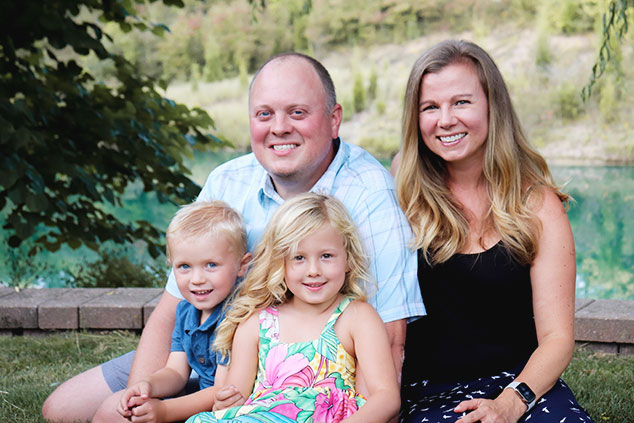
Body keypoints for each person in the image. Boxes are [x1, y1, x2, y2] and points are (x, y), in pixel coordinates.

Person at [43, 52, 424, 422]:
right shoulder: (227, 180)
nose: (279, 128)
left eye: (297, 112)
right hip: (203, 350)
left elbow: (391, 339)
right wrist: (140, 392)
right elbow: (172, 306)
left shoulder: (370, 192)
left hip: (298, 377)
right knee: (66, 409)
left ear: (334, 118)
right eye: (264, 114)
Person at [394, 40, 593, 423]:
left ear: (492, 105)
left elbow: (557, 339)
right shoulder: (402, 197)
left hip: (522, 384)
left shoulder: (537, 204)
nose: (446, 119)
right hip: (428, 391)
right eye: (430, 107)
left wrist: (511, 402)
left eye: (462, 102)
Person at [188, 193, 400, 423]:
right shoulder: (257, 323)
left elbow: (386, 397)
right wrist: (225, 403)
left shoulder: (356, 317)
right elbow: (236, 395)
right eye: (299, 257)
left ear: (348, 258)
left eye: (326, 256)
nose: (313, 270)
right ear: (281, 262)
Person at [116, 201, 252, 423]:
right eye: (184, 267)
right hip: (204, 403)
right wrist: (147, 386)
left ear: (242, 265)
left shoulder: (237, 316)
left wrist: (164, 411)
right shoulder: (186, 311)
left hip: (236, 408)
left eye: (211, 265)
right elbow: (177, 372)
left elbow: (222, 390)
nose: (197, 279)